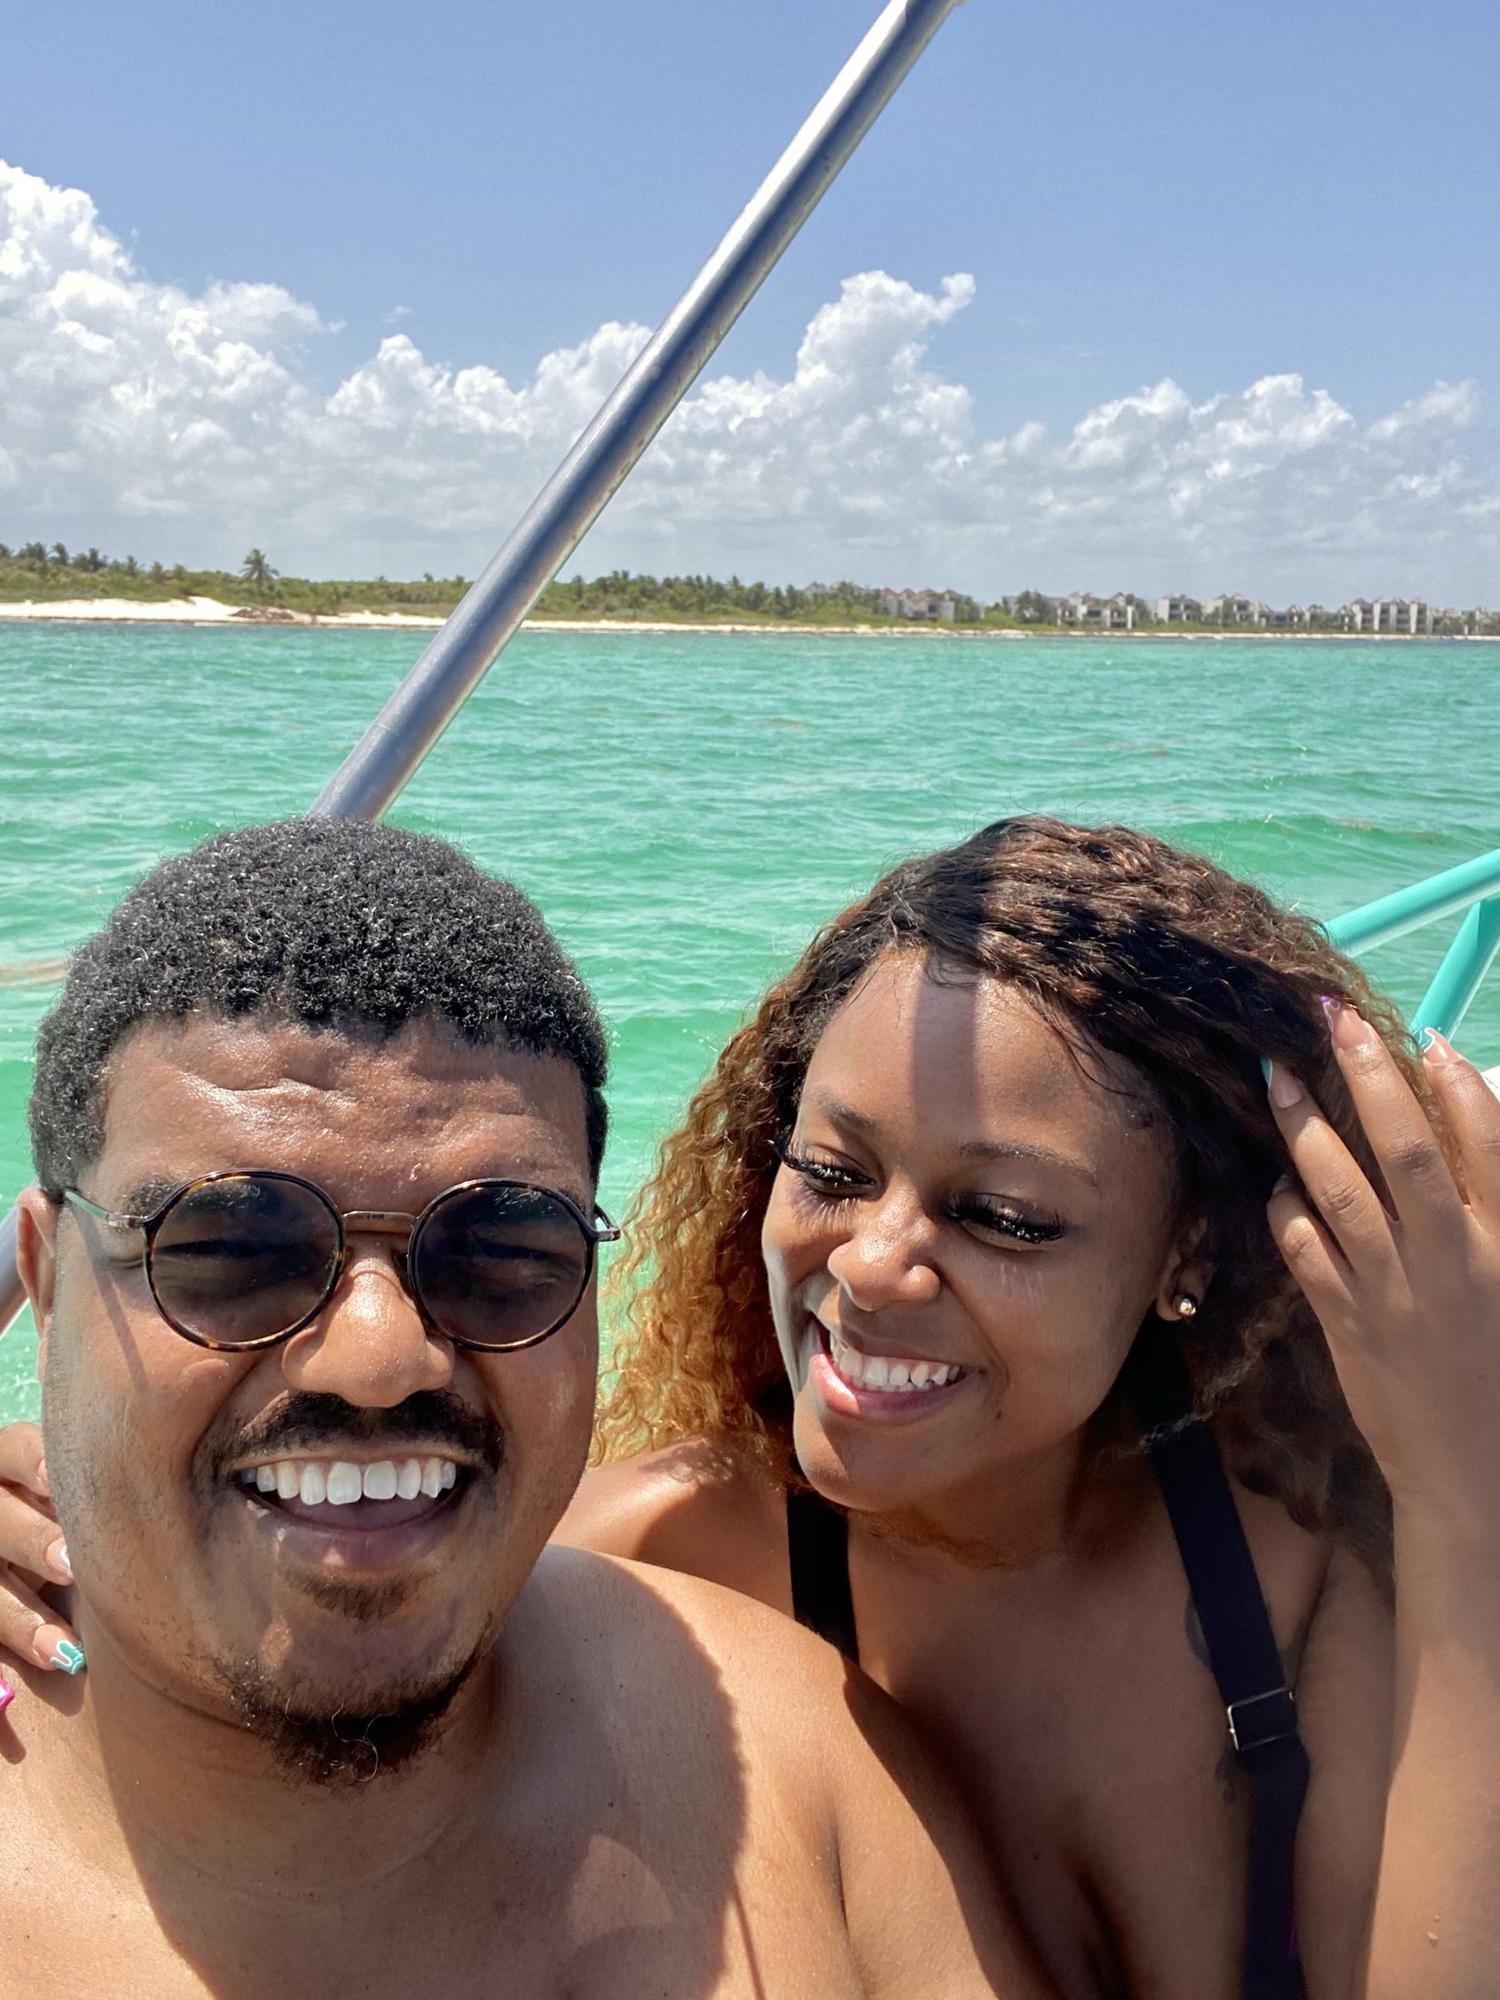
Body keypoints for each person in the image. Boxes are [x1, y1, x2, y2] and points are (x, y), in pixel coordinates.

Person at [5, 817, 1499, 1998]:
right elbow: (323, 1576)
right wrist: (73, 1500)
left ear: (1184, 1257)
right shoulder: (661, 1560)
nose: (875, 1264)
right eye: (833, 1172)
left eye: (1005, 1216)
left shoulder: (1297, 1568)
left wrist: (1466, 1494)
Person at [0, 818, 1051, 2000]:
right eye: (233, 1246)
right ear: (46, 1278)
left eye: (500, 1248)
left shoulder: (801, 1766)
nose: (378, 1354)